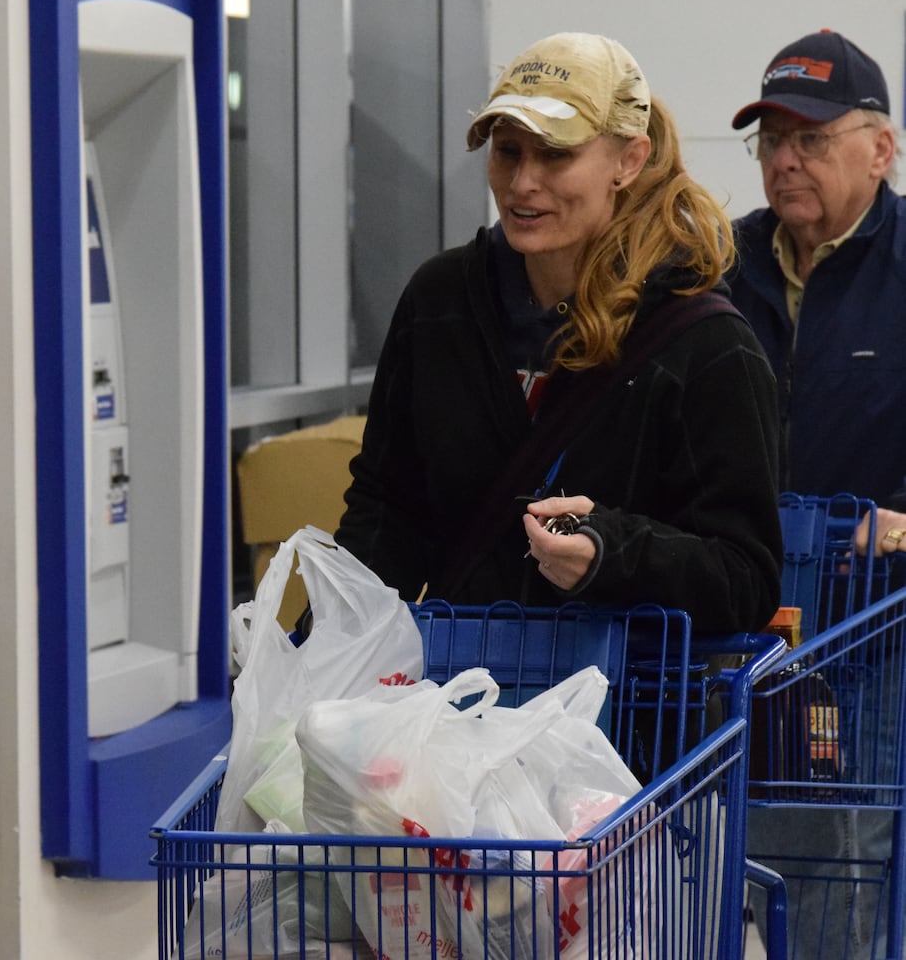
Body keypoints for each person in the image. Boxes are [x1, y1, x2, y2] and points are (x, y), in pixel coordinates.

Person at [335, 31, 783, 640]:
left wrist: (612, 553)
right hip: (457, 701)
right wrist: (325, 645)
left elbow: (745, 580)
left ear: (628, 160)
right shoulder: (439, 302)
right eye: (507, 151)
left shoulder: (703, 345)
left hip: (626, 716)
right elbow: (387, 507)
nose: (522, 183)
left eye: (554, 155)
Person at [727, 28, 906, 956]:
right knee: (763, 838)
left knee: (854, 848)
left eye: (811, 138)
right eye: (770, 141)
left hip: (879, 626)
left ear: (882, 149)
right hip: (757, 623)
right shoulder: (721, 269)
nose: (785, 160)